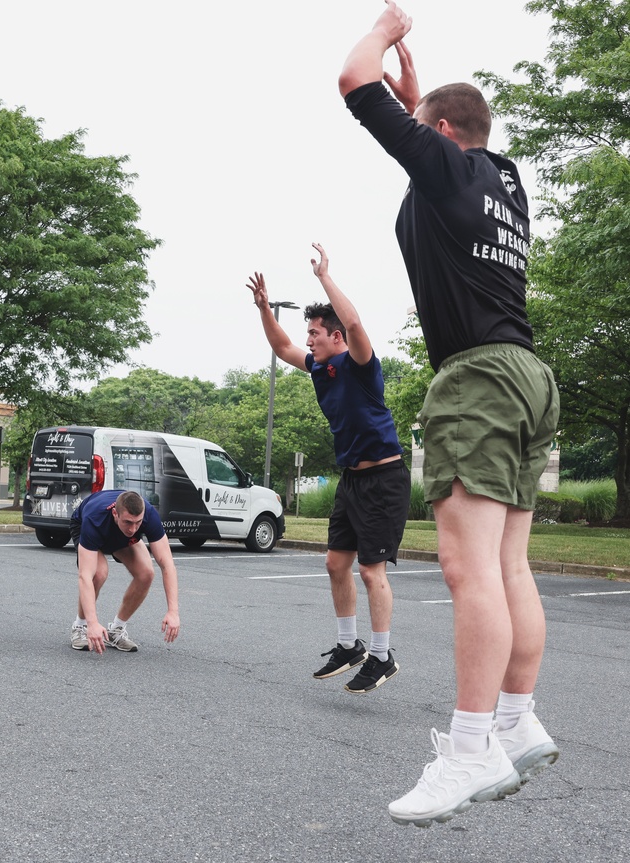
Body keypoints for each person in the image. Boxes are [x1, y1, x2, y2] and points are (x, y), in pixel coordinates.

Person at [340, 1, 561, 826]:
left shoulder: (448, 164)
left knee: (470, 570)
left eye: (422, 126)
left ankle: (470, 748)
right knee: (510, 566)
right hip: (531, 375)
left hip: (477, 379)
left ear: (436, 129)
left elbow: (352, 81)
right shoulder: (503, 180)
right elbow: (438, 161)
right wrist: (421, 97)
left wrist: (389, 36)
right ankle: (515, 718)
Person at [248, 243, 410, 694]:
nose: (309, 338)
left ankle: (381, 655)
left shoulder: (360, 364)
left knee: (371, 570)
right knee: (335, 563)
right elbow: (281, 347)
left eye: (316, 332)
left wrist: (323, 277)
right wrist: (264, 308)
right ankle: (348, 645)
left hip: (384, 479)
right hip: (352, 479)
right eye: (310, 332)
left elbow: (354, 322)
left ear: (334, 337)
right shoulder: (320, 369)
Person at [69, 489, 180, 653]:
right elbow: (84, 576)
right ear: (115, 513)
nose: (133, 529)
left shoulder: (148, 514)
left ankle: (116, 630)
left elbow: (168, 565)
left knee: (146, 573)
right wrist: (92, 623)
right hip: (87, 527)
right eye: (128, 522)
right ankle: (80, 626)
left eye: (138, 523)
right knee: (98, 573)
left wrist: (173, 612)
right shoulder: (94, 518)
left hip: (118, 535)